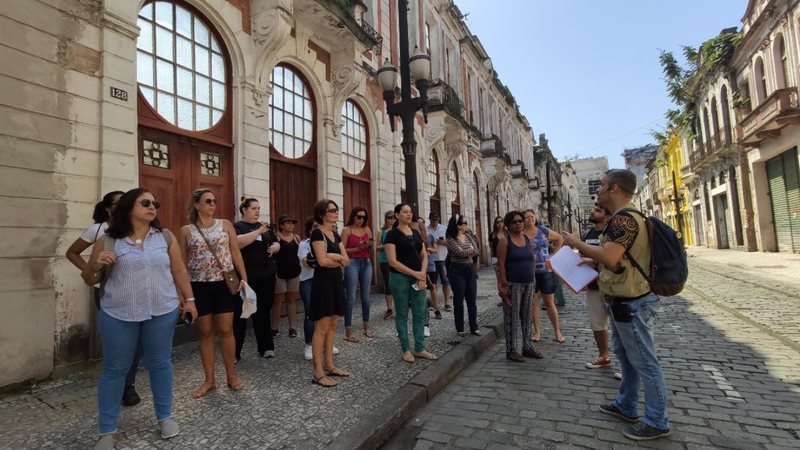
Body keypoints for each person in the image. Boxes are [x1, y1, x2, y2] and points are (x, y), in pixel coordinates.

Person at [83, 188, 196, 449]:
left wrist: (189, 300)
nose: (152, 206)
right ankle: (107, 431)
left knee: (160, 363)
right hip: (118, 312)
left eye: (155, 203)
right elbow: (90, 279)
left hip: (162, 310)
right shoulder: (109, 240)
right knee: (115, 370)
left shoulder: (165, 237)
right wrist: (96, 265)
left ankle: (165, 416)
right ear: (128, 207)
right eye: (145, 202)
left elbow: (178, 269)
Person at [563, 169, 670, 441]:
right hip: (623, 299)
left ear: (614, 189)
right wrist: (593, 260)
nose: (597, 190)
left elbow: (611, 257)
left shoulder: (623, 220)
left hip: (632, 301)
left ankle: (657, 420)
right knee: (627, 358)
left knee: (645, 361)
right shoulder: (624, 219)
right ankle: (627, 404)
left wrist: (576, 244)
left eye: (601, 185)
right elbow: (618, 259)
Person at [67, 190, 144, 407]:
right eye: (118, 203)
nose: (123, 206)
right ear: (108, 208)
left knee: (136, 341)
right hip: (106, 291)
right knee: (116, 340)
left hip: (134, 291)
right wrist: (92, 270)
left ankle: (128, 386)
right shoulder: (98, 230)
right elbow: (72, 252)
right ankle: (116, 381)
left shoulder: (135, 229)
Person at [179, 188, 247, 398]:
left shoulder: (225, 224)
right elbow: (180, 263)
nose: (212, 204)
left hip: (223, 284)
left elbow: (235, 252)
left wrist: (244, 278)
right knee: (205, 332)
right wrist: (182, 293)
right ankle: (209, 379)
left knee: (227, 329)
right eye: (207, 201)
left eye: (214, 201)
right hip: (198, 286)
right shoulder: (186, 231)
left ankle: (231, 375)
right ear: (197, 204)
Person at [384, 203, 437, 362]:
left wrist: (421, 275)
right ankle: (405, 349)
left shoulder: (415, 233)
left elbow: (424, 255)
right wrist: (416, 274)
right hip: (399, 278)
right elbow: (392, 261)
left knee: (420, 312)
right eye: (405, 212)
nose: (409, 214)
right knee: (401, 313)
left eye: (410, 212)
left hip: (418, 277)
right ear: (397, 215)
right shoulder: (391, 235)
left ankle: (420, 347)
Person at [309, 199, 350, 387]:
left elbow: (347, 261)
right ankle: (318, 371)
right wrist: (337, 258)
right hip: (323, 284)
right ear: (322, 214)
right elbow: (322, 261)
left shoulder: (335, 235)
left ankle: (330, 365)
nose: (335, 213)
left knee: (333, 325)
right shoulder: (317, 233)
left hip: (335, 282)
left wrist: (336, 257)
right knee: (322, 327)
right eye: (331, 210)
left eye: (336, 210)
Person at [233, 197, 279, 361]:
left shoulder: (265, 227)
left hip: (266, 277)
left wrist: (275, 247)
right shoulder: (237, 226)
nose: (258, 211)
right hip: (247, 278)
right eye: (254, 208)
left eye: (259, 208)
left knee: (264, 312)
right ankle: (235, 352)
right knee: (242, 315)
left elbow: (275, 242)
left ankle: (266, 346)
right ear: (244, 209)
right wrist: (258, 232)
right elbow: (237, 243)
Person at [496, 211, 542, 362]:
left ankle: (527, 347)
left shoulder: (527, 239)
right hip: (513, 285)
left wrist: (533, 278)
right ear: (508, 225)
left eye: (520, 221)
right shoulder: (505, 241)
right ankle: (512, 350)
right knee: (512, 318)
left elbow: (532, 260)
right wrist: (503, 284)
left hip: (528, 283)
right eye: (515, 222)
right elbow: (501, 264)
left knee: (527, 316)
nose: (519, 224)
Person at [523, 210, 566, 343]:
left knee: (549, 302)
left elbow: (559, 238)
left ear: (535, 218)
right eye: (526, 217)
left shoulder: (543, 230)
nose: (529, 219)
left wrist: (554, 255)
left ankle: (557, 331)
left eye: (531, 216)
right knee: (533, 303)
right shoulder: (522, 233)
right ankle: (537, 332)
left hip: (546, 271)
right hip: (530, 272)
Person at [581, 204, 613, 370]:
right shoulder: (587, 234)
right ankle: (603, 355)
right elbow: (581, 257)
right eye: (593, 210)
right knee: (597, 323)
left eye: (598, 210)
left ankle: (627, 366)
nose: (593, 212)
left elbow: (613, 257)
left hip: (612, 286)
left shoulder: (612, 233)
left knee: (620, 327)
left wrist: (594, 262)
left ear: (607, 215)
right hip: (593, 285)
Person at [341, 206, 375, 341]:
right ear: (353, 216)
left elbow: (372, 245)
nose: (361, 220)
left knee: (366, 297)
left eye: (364, 217)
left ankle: (366, 326)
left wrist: (369, 244)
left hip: (366, 262)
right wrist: (356, 248)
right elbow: (342, 250)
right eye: (359, 217)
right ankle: (348, 330)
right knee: (351, 297)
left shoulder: (367, 229)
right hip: (352, 263)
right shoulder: (346, 230)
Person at [446, 214, 481, 337]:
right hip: (457, 271)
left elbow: (476, 250)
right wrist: (469, 252)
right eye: (465, 223)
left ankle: (474, 327)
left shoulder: (467, 236)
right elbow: (459, 253)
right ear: (459, 226)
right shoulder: (451, 239)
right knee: (459, 300)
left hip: (470, 270)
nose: (467, 225)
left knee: (472, 299)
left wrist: (469, 252)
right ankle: (460, 328)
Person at [272, 215, 302, 338]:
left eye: (292, 223)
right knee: (278, 301)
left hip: (294, 273)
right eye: (288, 223)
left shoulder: (296, 238)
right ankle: (274, 327)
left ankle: (292, 327)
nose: (291, 225)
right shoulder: (276, 237)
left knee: (291, 300)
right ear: (281, 225)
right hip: (280, 273)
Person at [426, 212, 452, 311]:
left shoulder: (444, 228)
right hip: (431, 259)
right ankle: (434, 303)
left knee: (445, 280)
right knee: (433, 283)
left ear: (438, 219)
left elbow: (450, 243)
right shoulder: (426, 229)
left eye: (436, 220)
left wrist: (439, 241)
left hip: (442, 258)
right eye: (433, 220)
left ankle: (447, 302)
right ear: (430, 219)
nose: (434, 222)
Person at [376, 210, 396, 320]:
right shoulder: (381, 232)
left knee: (397, 283)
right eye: (389, 217)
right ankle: (389, 308)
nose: (392, 220)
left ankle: (399, 306)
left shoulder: (398, 231)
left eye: (393, 217)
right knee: (388, 283)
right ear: (386, 219)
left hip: (397, 260)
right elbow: (377, 248)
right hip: (385, 260)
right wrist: (386, 246)